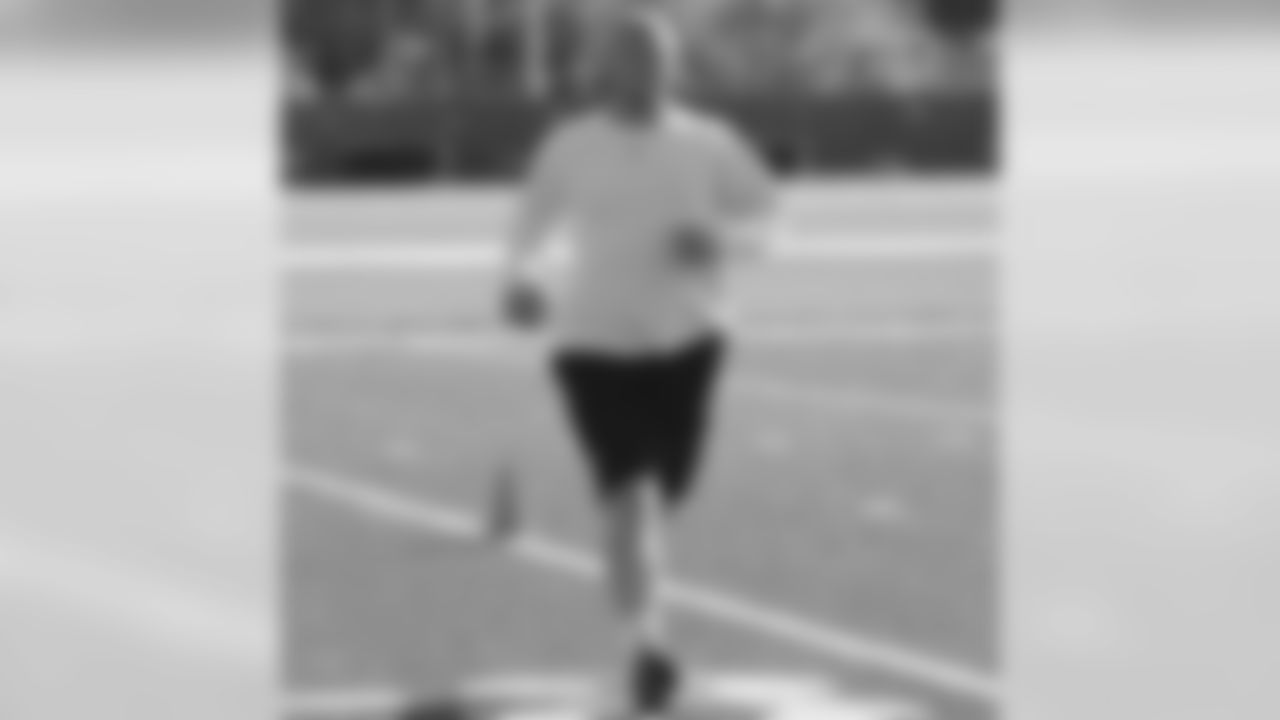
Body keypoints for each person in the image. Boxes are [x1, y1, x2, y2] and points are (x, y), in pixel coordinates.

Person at [498, 7, 778, 717]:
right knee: (633, 497)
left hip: (690, 343)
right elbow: (530, 228)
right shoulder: (570, 146)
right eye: (631, 57)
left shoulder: (708, 142)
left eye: (657, 57)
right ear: (604, 69)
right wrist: (523, 281)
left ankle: (641, 625)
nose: (646, 70)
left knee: (664, 492)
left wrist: (720, 243)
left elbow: (767, 217)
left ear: (674, 67)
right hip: (592, 347)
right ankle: (645, 648)